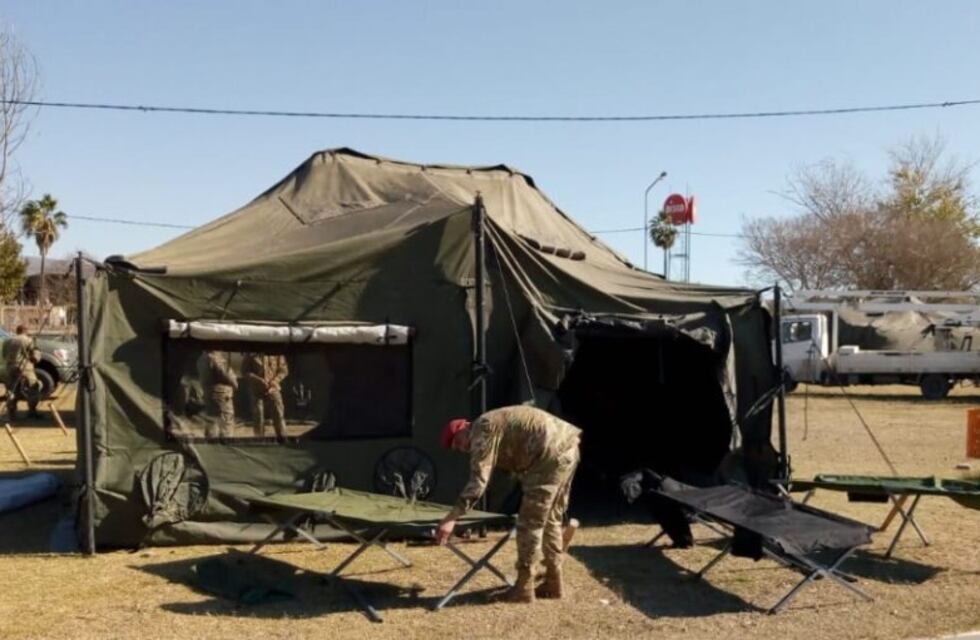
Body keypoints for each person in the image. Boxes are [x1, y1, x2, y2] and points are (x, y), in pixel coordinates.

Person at [436, 405, 581, 603]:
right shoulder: (490, 424)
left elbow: (478, 482)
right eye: (457, 448)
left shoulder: (482, 428)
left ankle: (523, 588)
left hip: (548, 454)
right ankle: (553, 583)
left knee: (529, 524)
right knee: (551, 520)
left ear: (464, 427)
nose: (462, 448)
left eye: (458, 442)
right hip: (567, 446)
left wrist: (451, 518)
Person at [242, 352, 289, 440]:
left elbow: (284, 370)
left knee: (278, 413)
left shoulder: (276, 353)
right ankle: (259, 439)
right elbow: (245, 371)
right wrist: (257, 380)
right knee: (258, 415)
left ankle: (283, 437)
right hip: (257, 389)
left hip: (273, 388)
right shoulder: (250, 354)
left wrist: (275, 381)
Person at [2, 325, 42, 420]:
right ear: (25, 331)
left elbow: (4, 355)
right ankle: (32, 412)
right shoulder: (28, 340)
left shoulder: (7, 341)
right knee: (33, 387)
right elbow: (35, 355)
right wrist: (34, 359)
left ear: (17, 331)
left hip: (10, 368)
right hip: (24, 367)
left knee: (11, 390)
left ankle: (11, 413)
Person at [202, 350, 238, 439]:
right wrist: (235, 383)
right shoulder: (215, 357)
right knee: (226, 423)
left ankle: (211, 445)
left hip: (209, 393)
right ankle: (226, 446)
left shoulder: (202, 358)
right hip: (221, 395)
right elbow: (225, 373)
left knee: (211, 421)